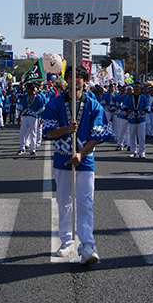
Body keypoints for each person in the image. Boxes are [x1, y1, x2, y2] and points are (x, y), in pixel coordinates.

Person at [41, 66, 112, 265]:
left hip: (85, 159)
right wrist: (67, 129)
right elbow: (49, 131)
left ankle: (88, 244)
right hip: (62, 158)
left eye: (80, 77)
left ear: (85, 81)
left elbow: (96, 136)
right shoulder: (54, 103)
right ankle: (66, 240)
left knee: (86, 203)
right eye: (72, 76)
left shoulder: (93, 105)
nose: (76, 80)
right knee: (64, 202)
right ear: (66, 80)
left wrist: (81, 154)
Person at [124, 83, 150, 158]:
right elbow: (124, 105)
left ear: (140, 88)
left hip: (141, 118)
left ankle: (142, 152)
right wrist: (127, 109)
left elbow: (147, 106)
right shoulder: (129, 97)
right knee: (132, 135)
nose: (136, 89)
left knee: (141, 136)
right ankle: (133, 151)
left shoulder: (143, 97)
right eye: (135, 87)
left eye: (138, 87)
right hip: (132, 118)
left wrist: (144, 111)